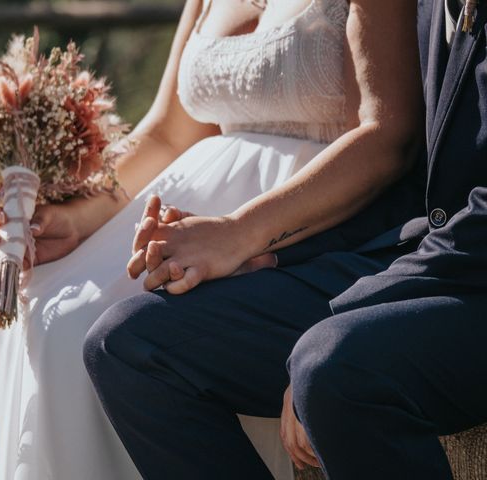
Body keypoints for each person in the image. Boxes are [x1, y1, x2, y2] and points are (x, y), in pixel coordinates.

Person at [0, 0, 424, 478]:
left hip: (302, 220)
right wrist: (81, 218)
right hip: (187, 210)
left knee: (78, 328)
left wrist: (239, 233)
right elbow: (168, 133)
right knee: (38, 300)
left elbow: (388, 137)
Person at [84, 0, 487, 478]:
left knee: (330, 365)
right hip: (417, 257)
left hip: (471, 282)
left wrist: (346, 312)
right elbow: (418, 191)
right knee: (128, 343)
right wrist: (264, 253)